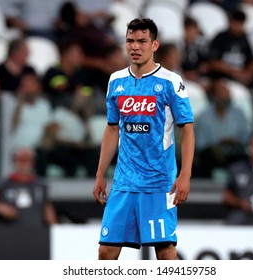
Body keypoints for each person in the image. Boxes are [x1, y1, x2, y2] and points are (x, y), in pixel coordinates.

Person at [92, 18, 195, 260]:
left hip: (159, 183)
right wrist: (100, 174)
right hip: (124, 181)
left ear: (154, 45)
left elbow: (187, 129)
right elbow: (111, 129)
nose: (135, 47)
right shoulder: (116, 81)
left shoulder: (170, 81)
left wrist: (185, 175)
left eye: (141, 41)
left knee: (165, 250)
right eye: (130, 41)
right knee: (106, 250)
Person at [0, 148, 57, 227]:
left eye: (27, 160)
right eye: (20, 160)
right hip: (9, 232)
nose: (23, 164)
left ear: (33, 163)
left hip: (35, 231)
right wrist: (1, 208)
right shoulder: (3, 184)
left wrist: (55, 228)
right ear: (14, 162)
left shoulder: (40, 185)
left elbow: (47, 208)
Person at [194, 79, 249, 178]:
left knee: (243, 158)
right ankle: (206, 188)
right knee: (204, 157)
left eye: (227, 93)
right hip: (212, 153)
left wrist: (233, 141)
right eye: (222, 93)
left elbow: (246, 137)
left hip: (234, 151)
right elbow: (200, 143)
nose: (225, 96)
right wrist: (215, 148)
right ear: (214, 96)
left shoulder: (239, 114)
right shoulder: (204, 116)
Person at [208, 9, 253, 88]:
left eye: (240, 23)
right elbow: (213, 62)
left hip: (241, 77)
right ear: (230, 22)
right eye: (236, 22)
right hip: (222, 77)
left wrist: (248, 73)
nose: (238, 26)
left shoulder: (246, 39)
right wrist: (235, 73)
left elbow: (252, 61)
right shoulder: (220, 38)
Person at [10, 73, 52, 153]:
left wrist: (47, 141)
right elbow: (11, 127)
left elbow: (48, 126)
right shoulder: (13, 104)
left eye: (31, 86)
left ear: (38, 88)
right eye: (25, 86)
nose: (28, 89)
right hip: (19, 149)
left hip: (39, 149)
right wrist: (19, 104)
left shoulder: (44, 105)